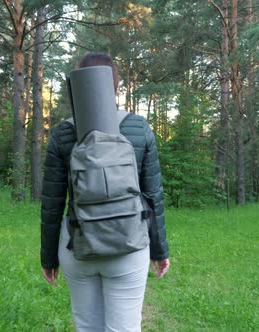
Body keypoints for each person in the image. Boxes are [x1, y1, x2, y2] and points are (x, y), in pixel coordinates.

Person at [40, 52, 170, 331]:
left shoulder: (63, 133)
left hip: (77, 246)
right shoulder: (139, 128)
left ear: (76, 83)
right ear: (116, 85)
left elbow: (52, 204)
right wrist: (160, 251)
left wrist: (48, 256)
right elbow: (153, 195)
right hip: (129, 245)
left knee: (87, 327)